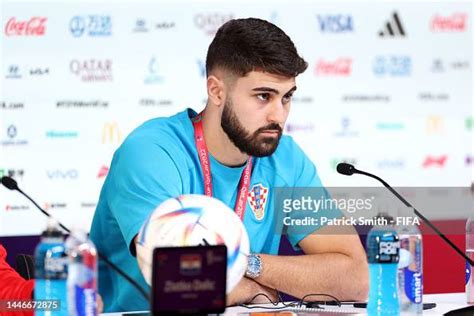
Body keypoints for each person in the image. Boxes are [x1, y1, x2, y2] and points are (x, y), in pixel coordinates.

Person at [90, 17, 368, 312]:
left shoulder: (286, 158)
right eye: (264, 96)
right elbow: (176, 281)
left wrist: (246, 264)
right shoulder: (153, 151)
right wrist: (251, 289)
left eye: (286, 97)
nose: (279, 115)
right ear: (216, 91)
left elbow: (356, 276)